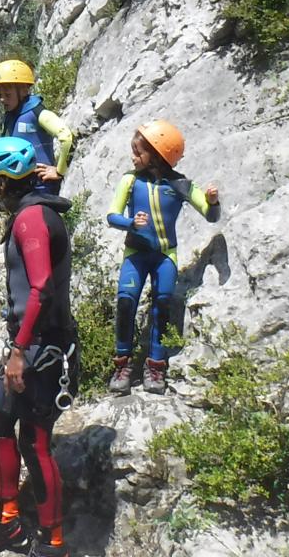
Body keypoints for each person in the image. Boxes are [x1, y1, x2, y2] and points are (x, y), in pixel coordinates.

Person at [0, 137, 78, 557]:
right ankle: (10, 522)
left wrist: (18, 351)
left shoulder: (30, 219)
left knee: (35, 441)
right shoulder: (37, 213)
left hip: (39, 351)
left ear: (2, 184)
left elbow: (41, 287)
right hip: (40, 345)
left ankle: (53, 543)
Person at [104, 119, 222, 395]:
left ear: (157, 155)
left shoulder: (180, 184)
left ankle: (155, 367)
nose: (133, 157)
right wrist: (131, 223)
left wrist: (213, 201)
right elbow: (112, 216)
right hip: (135, 254)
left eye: (138, 152)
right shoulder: (130, 180)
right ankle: (122, 364)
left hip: (164, 255)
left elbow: (210, 214)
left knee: (162, 306)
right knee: (125, 303)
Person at [0, 60, 75, 196]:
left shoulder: (37, 113)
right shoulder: (11, 116)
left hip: (42, 188)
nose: (2, 99)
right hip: (21, 189)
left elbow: (67, 137)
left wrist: (59, 171)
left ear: (24, 90)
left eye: (7, 95)